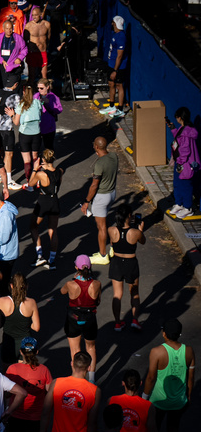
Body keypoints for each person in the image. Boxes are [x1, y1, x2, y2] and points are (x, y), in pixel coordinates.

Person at [144, 318, 194, 432]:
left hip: (158, 401)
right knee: (173, 429)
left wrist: (144, 397)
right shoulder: (189, 351)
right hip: (179, 400)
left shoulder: (157, 352)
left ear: (164, 333)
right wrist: (188, 397)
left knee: (153, 430)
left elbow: (151, 378)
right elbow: (190, 378)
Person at [3, 338, 52, 432]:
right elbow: (49, 392)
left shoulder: (12, 369)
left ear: (21, 352)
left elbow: (7, 395)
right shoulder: (44, 370)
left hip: (16, 417)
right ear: (36, 352)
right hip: (36, 419)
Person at [61, 255, 102, 380]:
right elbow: (97, 301)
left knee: (75, 349)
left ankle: (77, 378)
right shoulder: (96, 284)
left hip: (73, 317)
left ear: (76, 267)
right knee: (91, 347)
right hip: (90, 317)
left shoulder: (70, 284)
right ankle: (92, 379)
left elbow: (62, 292)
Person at [81, 136, 118, 265]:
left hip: (101, 197)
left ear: (96, 147)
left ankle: (103, 255)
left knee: (101, 227)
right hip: (112, 193)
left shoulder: (99, 164)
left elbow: (94, 185)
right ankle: (113, 247)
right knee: (105, 222)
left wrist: (86, 201)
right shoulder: (114, 156)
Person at [108, 205, 145, 331]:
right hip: (131, 263)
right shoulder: (135, 233)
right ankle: (135, 320)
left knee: (117, 294)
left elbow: (113, 243)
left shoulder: (111, 230)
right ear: (129, 216)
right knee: (134, 292)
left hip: (117, 262)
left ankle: (118, 322)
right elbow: (143, 241)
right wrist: (140, 229)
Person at [27, 148, 63, 269]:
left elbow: (31, 184)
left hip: (43, 202)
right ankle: (51, 261)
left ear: (43, 160)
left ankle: (39, 256)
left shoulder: (41, 174)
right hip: (55, 201)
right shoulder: (59, 172)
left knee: (33, 226)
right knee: (53, 230)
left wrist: (34, 169)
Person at [167, 106, 200, 218]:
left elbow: (185, 149)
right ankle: (179, 204)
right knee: (177, 184)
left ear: (180, 117)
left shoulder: (186, 132)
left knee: (185, 185)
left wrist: (180, 162)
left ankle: (187, 207)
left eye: (176, 117)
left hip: (185, 164)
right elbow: (179, 139)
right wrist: (173, 129)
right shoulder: (183, 129)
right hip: (180, 162)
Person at [104, 15, 129, 110]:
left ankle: (120, 109)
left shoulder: (121, 37)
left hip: (118, 67)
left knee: (119, 85)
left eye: (113, 22)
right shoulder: (115, 34)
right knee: (111, 83)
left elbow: (120, 56)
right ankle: (111, 106)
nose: (111, 24)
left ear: (116, 23)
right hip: (111, 64)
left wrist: (115, 70)